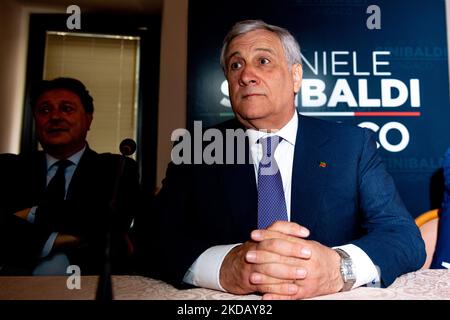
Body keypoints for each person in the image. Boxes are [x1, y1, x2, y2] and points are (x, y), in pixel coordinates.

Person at [137, 20, 425, 299]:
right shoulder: (197, 148)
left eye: (263, 61)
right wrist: (224, 266)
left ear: (296, 76)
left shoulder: (351, 145)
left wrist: (339, 268)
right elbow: (152, 238)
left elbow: (403, 236)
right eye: (236, 65)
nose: (246, 74)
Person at [0, 77, 140, 276]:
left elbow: (110, 220)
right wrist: (69, 236)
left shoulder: (116, 168)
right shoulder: (8, 169)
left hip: (95, 283)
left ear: (89, 118)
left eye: (67, 108)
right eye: (45, 110)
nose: (55, 117)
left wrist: (31, 213)